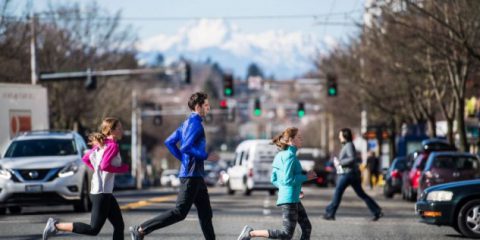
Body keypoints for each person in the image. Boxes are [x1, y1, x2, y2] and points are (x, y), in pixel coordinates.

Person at [129, 92, 215, 240]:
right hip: (190, 176)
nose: (209, 108)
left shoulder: (186, 123)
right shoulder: (195, 125)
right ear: (198, 106)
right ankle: (141, 229)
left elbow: (169, 142)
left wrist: (183, 159)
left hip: (196, 176)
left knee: (206, 214)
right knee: (180, 212)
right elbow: (186, 147)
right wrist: (205, 156)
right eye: (206, 105)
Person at [42, 117, 130, 240]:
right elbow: (104, 165)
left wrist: (96, 170)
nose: (122, 130)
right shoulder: (113, 146)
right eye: (119, 128)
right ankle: (56, 226)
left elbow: (86, 159)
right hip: (102, 192)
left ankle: (55, 226)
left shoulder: (102, 143)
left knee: (119, 225)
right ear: (111, 130)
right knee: (93, 229)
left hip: (103, 191)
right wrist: (122, 169)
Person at [237, 127, 317, 240]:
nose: (301, 139)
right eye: (299, 137)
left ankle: (250, 233)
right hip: (290, 200)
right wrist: (306, 177)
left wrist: (294, 190)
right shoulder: (290, 157)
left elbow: (274, 179)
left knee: (306, 227)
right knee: (286, 234)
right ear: (290, 140)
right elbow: (287, 180)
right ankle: (251, 233)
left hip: (292, 197)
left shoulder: (280, 155)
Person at [323, 128, 383, 221]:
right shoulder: (347, 145)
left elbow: (352, 158)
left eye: (340, 135)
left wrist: (340, 162)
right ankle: (377, 211)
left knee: (338, 193)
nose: (339, 137)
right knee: (361, 194)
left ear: (344, 136)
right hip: (351, 174)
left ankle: (330, 213)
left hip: (348, 174)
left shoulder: (349, 145)